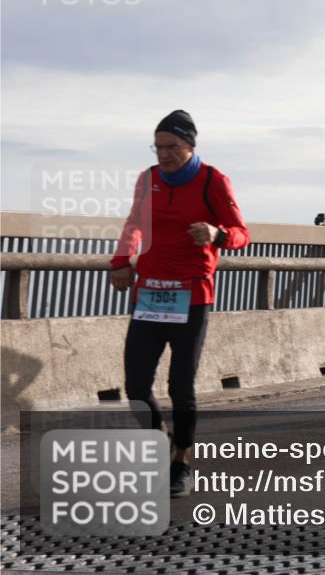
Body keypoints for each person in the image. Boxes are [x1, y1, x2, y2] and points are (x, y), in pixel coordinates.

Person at [110, 110, 250, 498]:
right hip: (150, 293)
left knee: (180, 384)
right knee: (136, 384)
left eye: (171, 147)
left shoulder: (213, 180)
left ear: (190, 146)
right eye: (158, 147)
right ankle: (158, 440)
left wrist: (217, 234)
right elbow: (134, 225)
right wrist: (121, 262)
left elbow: (242, 234)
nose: (163, 155)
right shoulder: (148, 179)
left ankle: (181, 461)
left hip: (192, 295)